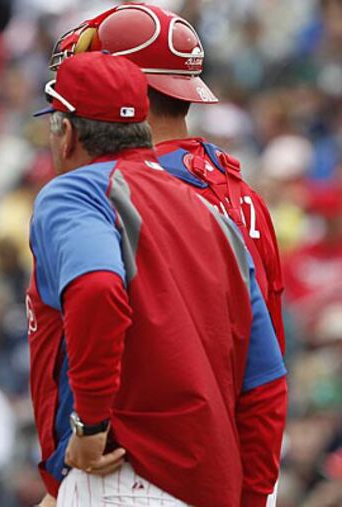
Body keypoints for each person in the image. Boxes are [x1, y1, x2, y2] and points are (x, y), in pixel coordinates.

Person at [28, 51, 287, 507]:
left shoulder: (76, 193)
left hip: (121, 472)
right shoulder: (211, 213)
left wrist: (89, 425)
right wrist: (252, 496)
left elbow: (97, 288)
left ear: (65, 133)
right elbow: (265, 380)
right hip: (210, 488)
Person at [49, 3, 286, 355]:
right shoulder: (241, 190)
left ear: (128, 90)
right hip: (236, 404)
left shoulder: (122, 193)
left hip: (156, 406)